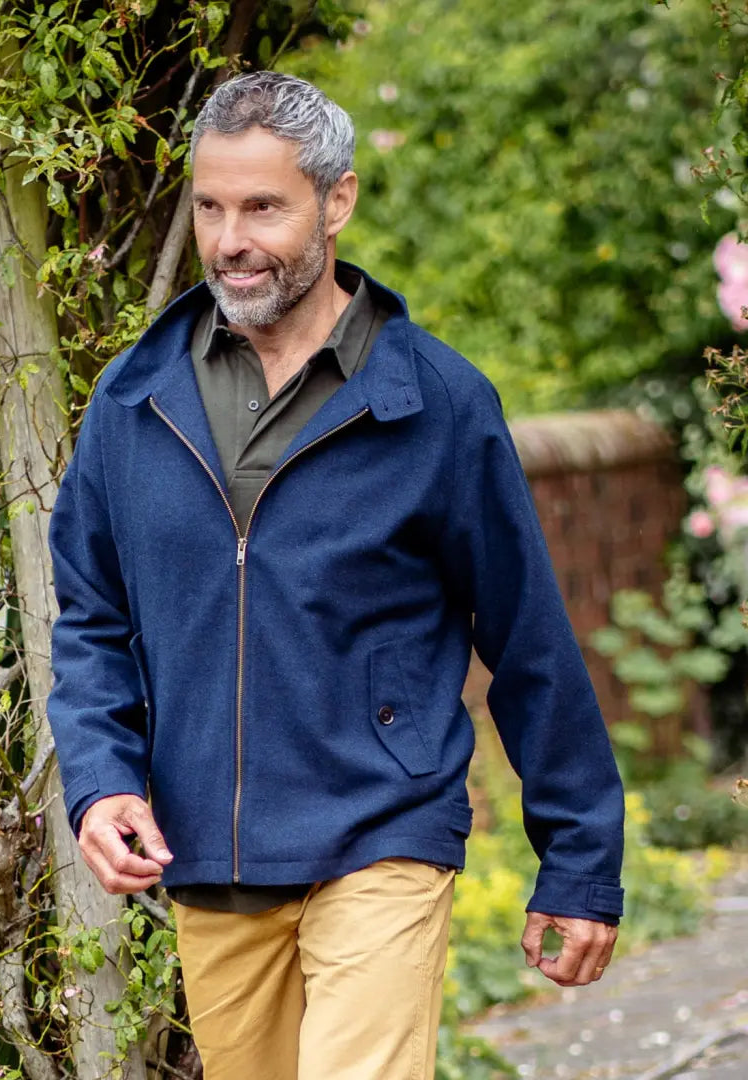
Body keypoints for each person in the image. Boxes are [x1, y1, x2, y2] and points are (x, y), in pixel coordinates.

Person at [47, 71, 624, 1080]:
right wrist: (101, 786)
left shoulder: (434, 403)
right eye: (212, 206)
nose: (231, 240)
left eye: (264, 206)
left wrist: (579, 858)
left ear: (337, 201)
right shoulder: (135, 402)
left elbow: (526, 633)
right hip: (212, 858)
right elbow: (93, 619)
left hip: (382, 831)